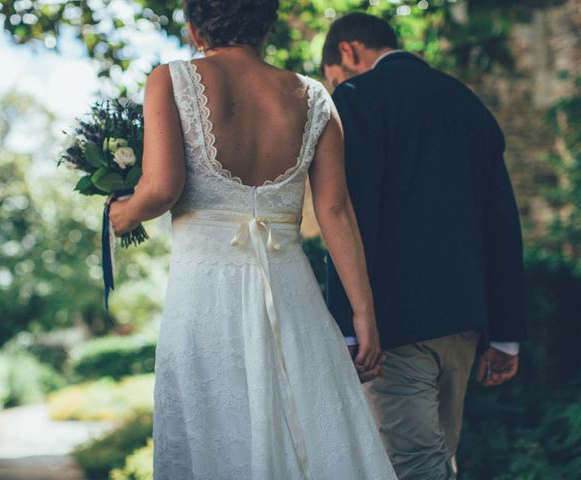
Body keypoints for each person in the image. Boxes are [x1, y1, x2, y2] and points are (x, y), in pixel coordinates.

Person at [109, 1, 396, 478]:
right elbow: (335, 210)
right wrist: (365, 315)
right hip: (292, 292)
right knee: (307, 425)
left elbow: (161, 189)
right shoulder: (314, 96)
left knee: (216, 435)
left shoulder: (171, 78)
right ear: (267, 24)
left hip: (204, 294)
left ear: (196, 26)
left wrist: (124, 213)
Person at [321, 13, 527, 480]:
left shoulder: (355, 99)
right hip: (465, 327)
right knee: (439, 456)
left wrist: (349, 326)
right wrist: (505, 333)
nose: (335, 83)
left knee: (413, 467)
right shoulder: (468, 104)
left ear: (348, 52)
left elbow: (347, 215)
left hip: (394, 328)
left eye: (332, 74)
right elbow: (501, 222)